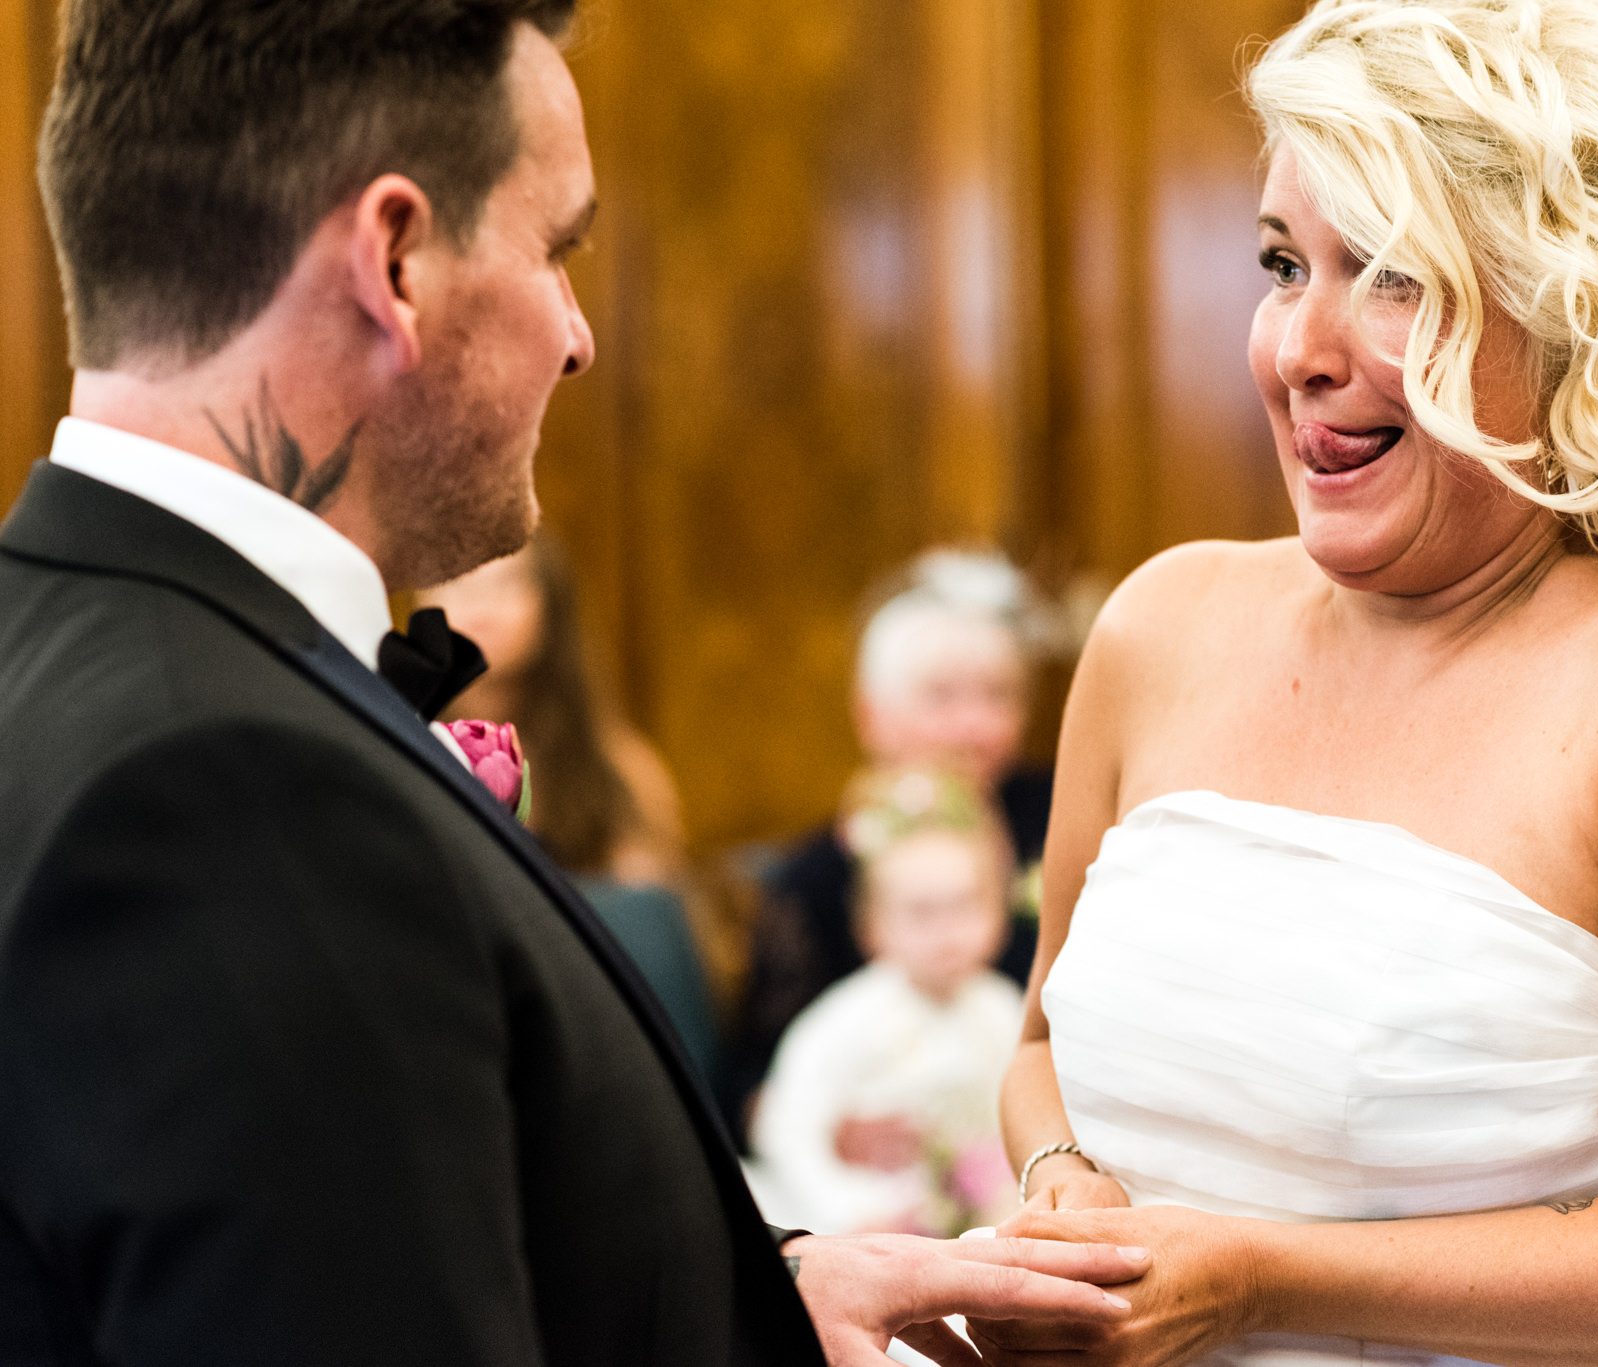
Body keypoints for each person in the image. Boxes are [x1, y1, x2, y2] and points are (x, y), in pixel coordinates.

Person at [0, 4, 1147, 1365]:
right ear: (397, 258)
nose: (579, 334)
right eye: (557, 248)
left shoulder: (74, 635)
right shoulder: (235, 795)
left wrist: (752, 1295)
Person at [986, 2, 1598, 1365]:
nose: (1302, 347)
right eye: (1285, 263)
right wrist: (1062, 1186)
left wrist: (1255, 1278)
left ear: (1571, 307)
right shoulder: (1156, 624)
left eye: (1395, 274)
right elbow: (1041, 1041)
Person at [730, 548, 1054, 1132]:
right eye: (943, 696)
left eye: (999, 695)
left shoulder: (1056, 819)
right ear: (871, 715)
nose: (976, 727)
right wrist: (842, 1132)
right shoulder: (817, 880)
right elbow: (750, 1080)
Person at [421, 536, 729, 1086]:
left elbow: (648, 941)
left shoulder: (612, 769)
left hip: (586, 1031)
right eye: (455, 583)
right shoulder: (398, 741)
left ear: (551, 608)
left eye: (505, 584)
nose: (479, 606)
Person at [751, 769, 1024, 1238]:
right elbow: (787, 1123)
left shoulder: (1002, 1007)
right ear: (872, 925)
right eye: (921, 913)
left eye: (965, 906)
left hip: (979, 1215)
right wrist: (848, 1211)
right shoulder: (847, 1019)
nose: (947, 932)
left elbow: (1020, 1109)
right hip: (871, 1217)